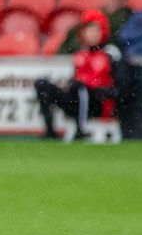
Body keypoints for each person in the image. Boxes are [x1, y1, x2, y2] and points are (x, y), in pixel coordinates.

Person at [34, 10, 121, 140]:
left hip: (98, 103)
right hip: (77, 99)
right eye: (88, 30)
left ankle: (81, 130)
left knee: (80, 87)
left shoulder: (111, 53)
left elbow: (121, 86)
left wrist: (99, 91)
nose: (92, 34)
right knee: (42, 84)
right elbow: (77, 78)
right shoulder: (81, 54)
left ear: (103, 31)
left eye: (95, 30)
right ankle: (50, 131)